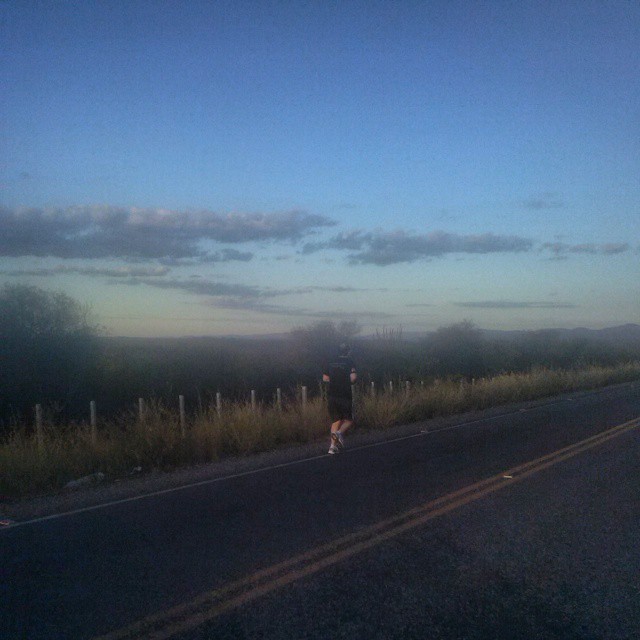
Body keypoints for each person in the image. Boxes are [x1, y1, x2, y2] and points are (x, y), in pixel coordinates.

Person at [323, 343, 357, 454]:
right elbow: (353, 378)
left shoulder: (330, 361)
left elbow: (325, 378)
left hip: (332, 395)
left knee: (336, 421)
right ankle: (339, 433)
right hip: (344, 395)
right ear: (348, 351)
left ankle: (332, 447)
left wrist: (335, 380)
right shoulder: (350, 362)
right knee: (348, 420)